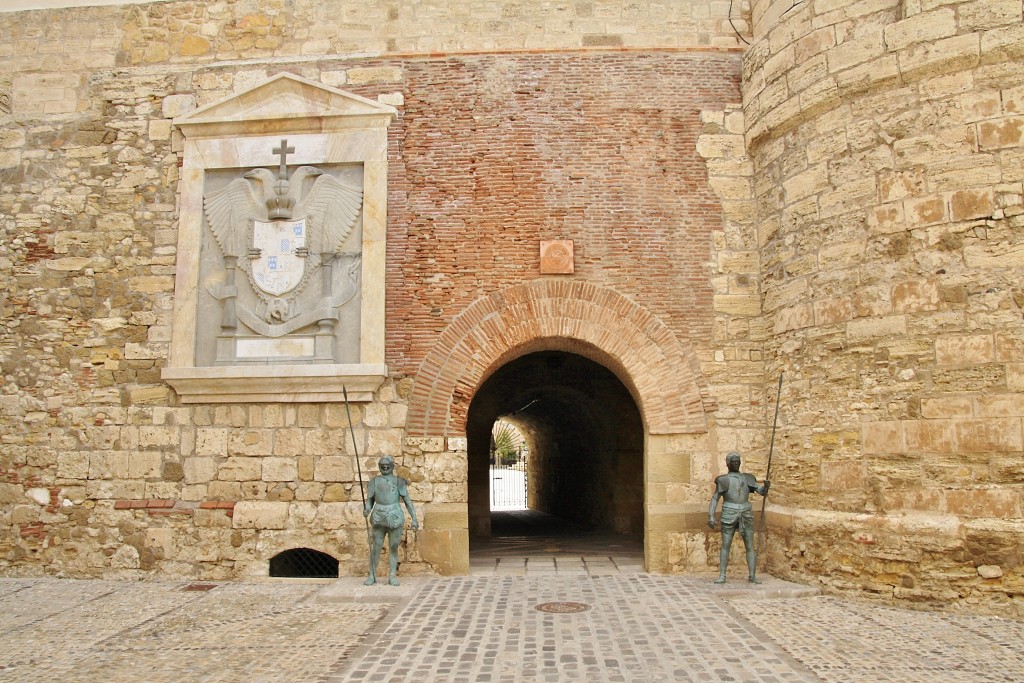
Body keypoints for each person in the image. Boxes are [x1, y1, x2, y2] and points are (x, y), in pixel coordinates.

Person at [708, 451, 770, 584]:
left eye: (738, 461)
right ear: (728, 464)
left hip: (746, 512)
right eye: (733, 462)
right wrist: (711, 516)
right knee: (726, 544)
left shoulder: (748, 478)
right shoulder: (723, 480)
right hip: (729, 512)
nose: (736, 464)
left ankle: (752, 575)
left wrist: (766, 487)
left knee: (749, 545)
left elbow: (761, 492)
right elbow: (715, 499)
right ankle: (722, 575)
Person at [363, 455, 419, 586]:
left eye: (387, 465)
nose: (385, 467)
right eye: (382, 465)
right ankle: (372, 574)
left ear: (392, 466)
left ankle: (392, 574)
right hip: (378, 515)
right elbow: (369, 501)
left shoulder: (399, 482)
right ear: (379, 466)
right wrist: (367, 509)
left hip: (394, 515)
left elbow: (407, 501)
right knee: (376, 546)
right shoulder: (374, 482)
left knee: (393, 546)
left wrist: (414, 518)